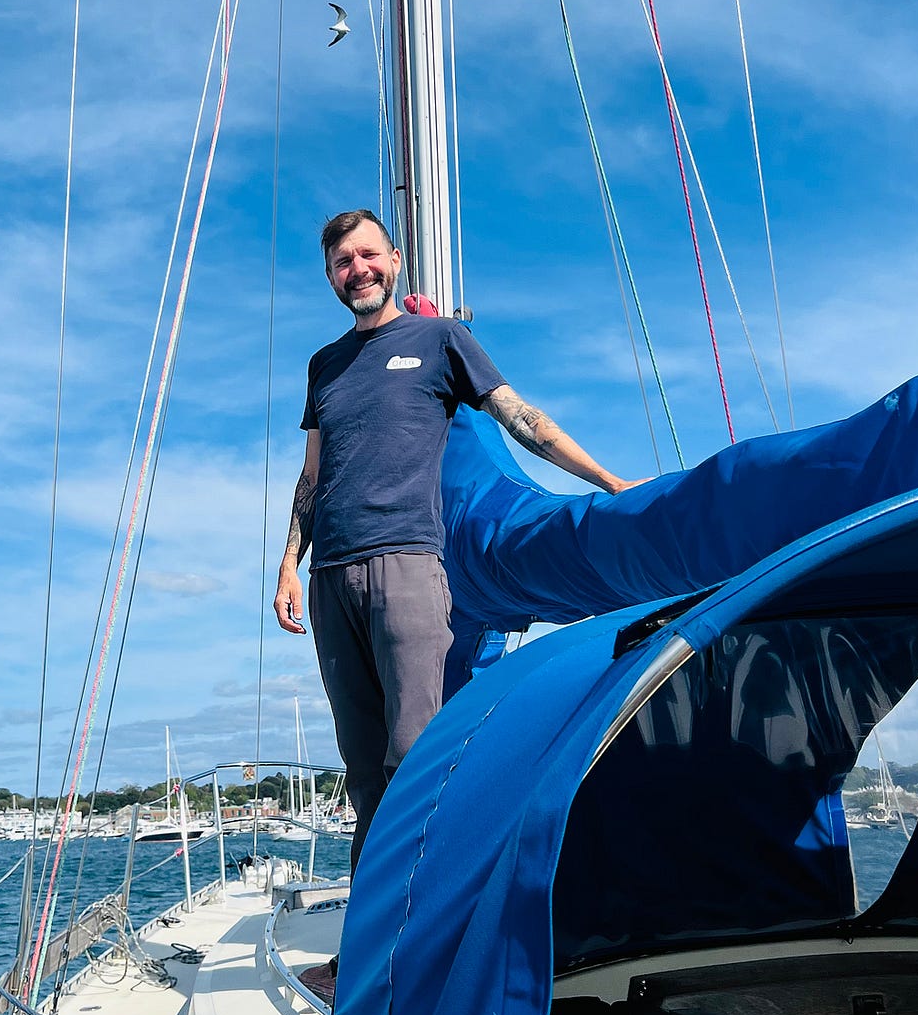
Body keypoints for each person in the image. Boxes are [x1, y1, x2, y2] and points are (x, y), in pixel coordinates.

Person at [275, 208, 643, 890]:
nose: (357, 270)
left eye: (367, 255)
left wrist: (607, 481)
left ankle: (431, 925)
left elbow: (521, 417)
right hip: (330, 577)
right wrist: (287, 568)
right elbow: (313, 475)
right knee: (362, 767)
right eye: (341, 262)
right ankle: (372, 938)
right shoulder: (323, 366)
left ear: (395, 258)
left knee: (415, 755)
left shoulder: (441, 339)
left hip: (408, 563)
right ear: (329, 276)